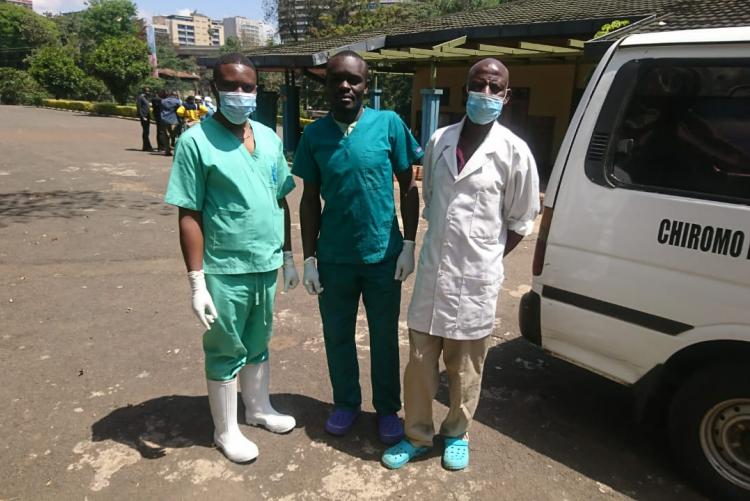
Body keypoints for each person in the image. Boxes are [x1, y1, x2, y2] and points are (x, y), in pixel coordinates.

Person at [382, 58, 540, 471]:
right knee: (419, 365)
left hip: (476, 281)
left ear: (505, 96)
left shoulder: (515, 152)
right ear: (466, 88)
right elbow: (432, 198)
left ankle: (456, 432)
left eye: (494, 87)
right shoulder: (439, 141)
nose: (485, 93)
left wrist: (485, 255)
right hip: (434, 272)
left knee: (466, 368)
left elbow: (521, 220)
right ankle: (416, 434)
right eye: (478, 84)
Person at [164, 53, 299, 463]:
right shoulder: (195, 142)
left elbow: (281, 199)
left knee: (259, 340)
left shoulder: (269, 137)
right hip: (224, 267)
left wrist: (289, 256)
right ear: (213, 90)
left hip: (265, 263)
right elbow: (189, 212)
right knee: (226, 345)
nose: (240, 94)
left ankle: (258, 409)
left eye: (248, 87)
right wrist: (196, 280)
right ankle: (226, 430)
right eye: (231, 86)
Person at [293, 50, 423, 445]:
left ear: (367, 84)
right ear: (327, 84)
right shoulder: (315, 135)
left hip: (383, 255)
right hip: (334, 258)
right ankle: (345, 402)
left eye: (354, 80)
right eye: (337, 80)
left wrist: (410, 244)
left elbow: (409, 186)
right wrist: (309, 257)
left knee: (384, 336)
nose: (345, 86)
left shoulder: (389, 125)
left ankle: (387, 409)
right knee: (337, 334)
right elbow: (309, 197)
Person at [160, 90, 182, 156]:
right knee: (175, 136)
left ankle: (167, 151)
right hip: (174, 121)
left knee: (166, 136)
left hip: (164, 120)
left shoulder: (163, 101)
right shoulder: (177, 102)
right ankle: (176, 150)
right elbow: (181, 110)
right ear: (175, 95)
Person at [136, 87, 153, 151]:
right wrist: (142, 116)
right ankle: (147, 146)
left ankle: (146, 146)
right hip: (144, 117)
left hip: (147, 116)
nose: (148, 92)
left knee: (147, 132)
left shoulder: (145, 98)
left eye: (148, 91)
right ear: (143, 91)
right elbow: (139, 107)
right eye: (147, 91)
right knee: (145, 132)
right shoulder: (140, 98)